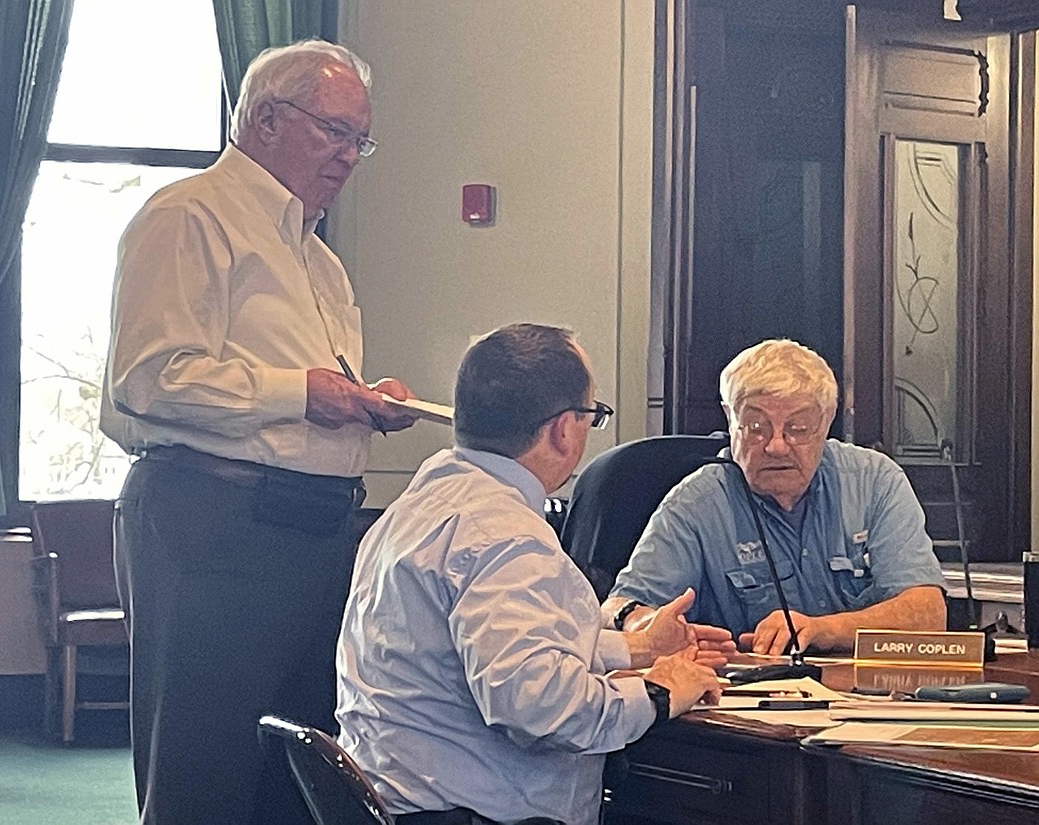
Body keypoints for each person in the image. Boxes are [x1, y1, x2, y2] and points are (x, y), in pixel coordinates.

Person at [102, 40, 416, 825]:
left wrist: (362, 400)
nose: (350, 155)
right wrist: (300, 394)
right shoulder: (188, 216)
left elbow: (311, 392)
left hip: (313, 530)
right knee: (204, 775)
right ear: (266, 119)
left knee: (296, 775)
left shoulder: (319, 260)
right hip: (215, 522)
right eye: (334, 131)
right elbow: (146, 376)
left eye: (360, 140)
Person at [336, 323, 733, 825]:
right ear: (565, 428)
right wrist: (659, 691)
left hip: (400, 804)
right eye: (593, 416)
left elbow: (474, 651)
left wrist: (636, 649)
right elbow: (538, 708)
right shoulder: (504, 534)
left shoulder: (417, 506)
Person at [603, 338, 946, 656]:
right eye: (756, 427)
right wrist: (644, 625)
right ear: (729, 418)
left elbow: (928, 613)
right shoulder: (698, 502)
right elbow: (617, 607)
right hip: (745, 702)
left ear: (826, 423)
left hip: (869, 700)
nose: (776, 445)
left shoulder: (874, 481)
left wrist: (822, 629)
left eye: (797, 428)